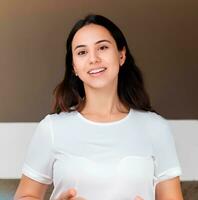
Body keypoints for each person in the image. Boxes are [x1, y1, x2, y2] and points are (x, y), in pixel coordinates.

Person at [14, 14, 183, 200]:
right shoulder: (52, 128)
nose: (93, 59)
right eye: (82, 52)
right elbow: (25, 196)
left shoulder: (156, 127)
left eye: (102, 47)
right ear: (74, 67)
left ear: (121, 55)